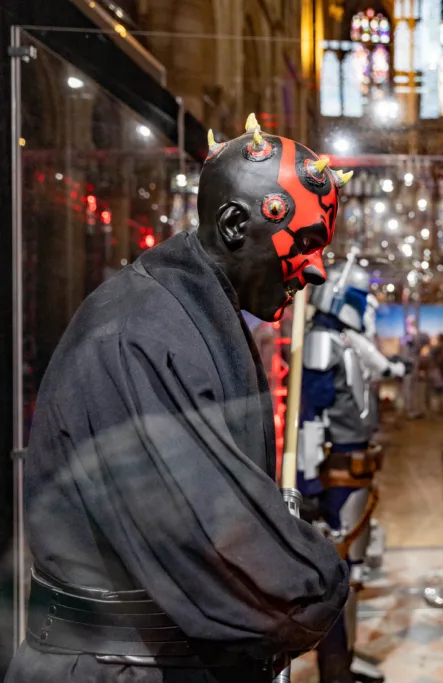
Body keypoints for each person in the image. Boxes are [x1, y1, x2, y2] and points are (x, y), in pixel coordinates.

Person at [7, 117, 350, 682]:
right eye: (308, 243)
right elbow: (218, 545)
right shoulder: (140, 330)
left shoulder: (179, 313)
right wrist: (317, 582)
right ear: (237, 224)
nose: (315, 269)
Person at [298, 261, 406, 683]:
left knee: (354, 571)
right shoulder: (323, 342)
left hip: (354, 471)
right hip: (335, 473)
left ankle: (345, 661)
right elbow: (310, 417)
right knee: (340, 570)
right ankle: (335, 667)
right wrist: (307, 482)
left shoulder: (344, 341)